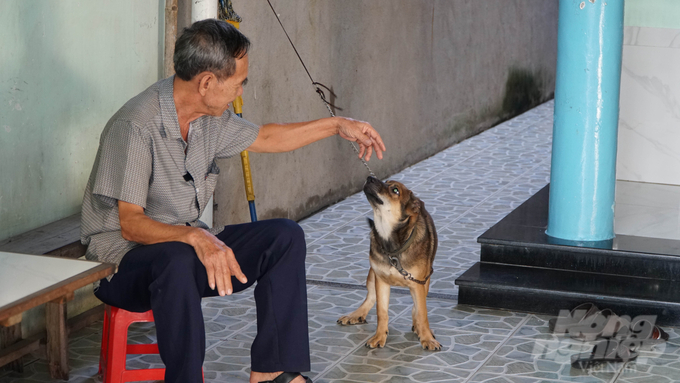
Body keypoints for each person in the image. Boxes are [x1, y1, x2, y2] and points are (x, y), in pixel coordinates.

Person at [81, 19, 385, 383]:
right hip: (122, 265)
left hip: (188, 250)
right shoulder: (136, 125)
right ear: (207, 83)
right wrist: (196, 237)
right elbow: (130, 223)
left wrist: (337, 125)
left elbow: (268, 137)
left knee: (284, 237)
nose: (241, 91)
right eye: (239, 82)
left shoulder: (209, 117)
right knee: (176, 259)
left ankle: (272, 373)